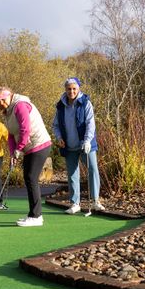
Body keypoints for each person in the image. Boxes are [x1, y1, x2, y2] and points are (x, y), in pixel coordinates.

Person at [0, 87, 52, 227]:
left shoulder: (20, 105)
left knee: (31, 178)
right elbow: (11, 135)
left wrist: (19, 149)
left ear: (10, 96)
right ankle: (33, 214)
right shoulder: (8, 112)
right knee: (28, 178)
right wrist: (13, 152)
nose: (1, 103)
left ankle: (37, 216)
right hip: (29, 147)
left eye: (3, 100)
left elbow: (26, 130)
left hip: (39, 144)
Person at [52, 77, 104, 215]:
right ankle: (75, 203)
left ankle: (96, 201)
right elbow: (55, 125)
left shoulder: (85, 103)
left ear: (78, 89)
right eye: (69, 89)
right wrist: (59, 138)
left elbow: (90, 124)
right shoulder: (61, 106)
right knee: (72, 174)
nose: (71, 91)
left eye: (74, 89)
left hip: (85, 144)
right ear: (65, 90)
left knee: (93, 170)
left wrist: (87, 140)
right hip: (69, 145)